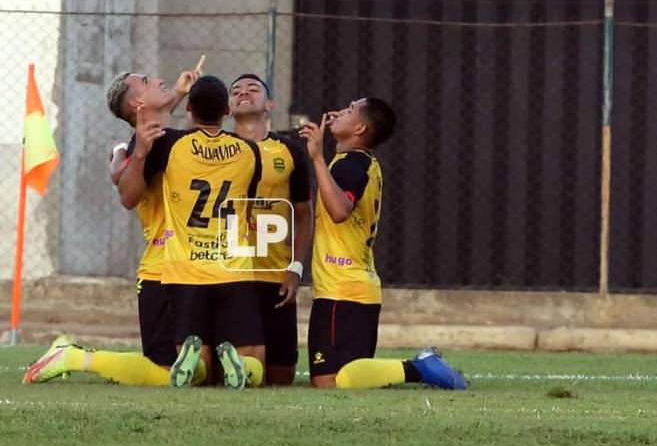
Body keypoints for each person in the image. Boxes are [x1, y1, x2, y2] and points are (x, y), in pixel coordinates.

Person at [24, 60, 208, 387]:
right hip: (163, 272)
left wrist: (178, 93)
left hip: (188, 266)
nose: (160, 80)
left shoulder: (152, 137)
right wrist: (132, 155)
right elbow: (127, 196)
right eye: (149, 81)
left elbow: (141, 143)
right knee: (169, 374)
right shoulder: (146, 143)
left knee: (199, 370)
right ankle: (73, 357)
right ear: (138, 104)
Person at [299, 97, 465, 390]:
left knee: (330, 381)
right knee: (343, 377)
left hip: (343, 291)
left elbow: (339, 211)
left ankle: (420, 368)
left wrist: (316, 158)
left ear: (360, 128)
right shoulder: (360, 162)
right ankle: (418, 368)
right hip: (356, 290)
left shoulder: (350, 165)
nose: (340, 111)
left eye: (350, 110)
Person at [118, 75, 266, 390]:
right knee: (255, 360)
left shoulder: (169, 143)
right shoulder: (249, 151)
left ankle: (195, 368)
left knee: (192, 367)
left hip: (184, 271)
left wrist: (136, 152)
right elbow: (248, 209)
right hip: (233, 269)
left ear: (189, 108)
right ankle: (240, 368)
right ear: (227, 109)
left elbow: (127, 195)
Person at [229, 73, 313, 386]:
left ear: (270, 104)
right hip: (230, 274)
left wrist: (295, 267)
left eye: (252, 89)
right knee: (248, 370)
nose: (243, 93)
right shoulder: (215, 148)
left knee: (281, 377)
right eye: (236, 91)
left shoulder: (291, 151)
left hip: (276, 276)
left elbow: (304, 214)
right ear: (227, 108)